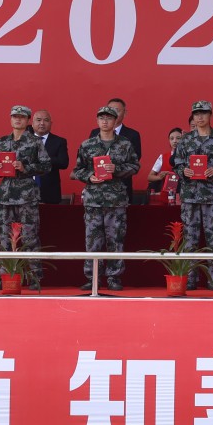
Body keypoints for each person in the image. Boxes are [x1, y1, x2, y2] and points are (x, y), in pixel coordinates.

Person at [72, 106, 139, 290]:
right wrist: (89, 176)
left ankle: (114, 278)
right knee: (92, 241)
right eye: (101, 118)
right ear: (97, 121)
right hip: (93, 200)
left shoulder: (124, 144)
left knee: (115, 240)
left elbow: (135, 166)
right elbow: (77, 170)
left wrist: (116, 169)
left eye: (109, 118)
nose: (105, 121)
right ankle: (92, 277)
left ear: (115, 121)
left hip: (116, 200)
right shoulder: (87, 145)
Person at [171, 100, 213, 289]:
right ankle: (190, 278)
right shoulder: (186, 140)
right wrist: (184, 171)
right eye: (196, 114)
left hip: (212, 195)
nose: (200, 117)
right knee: (190, 238)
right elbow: (177, 163)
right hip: (190, 196)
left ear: (210, 115)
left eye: (203, 113)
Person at [0, 105, 50, 289]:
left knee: (30, 238)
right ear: (10, 119)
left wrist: (25, 168)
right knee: (5, 239)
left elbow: (46, 166)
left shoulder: (35, 142)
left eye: (22, 117)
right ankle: (6, 277)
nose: (18, 119)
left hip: (26, 196)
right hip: (6, 196)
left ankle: (35, 277)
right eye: (15, 116)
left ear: (28, 120)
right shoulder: (1, 142)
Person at [31, 109, 67, 204]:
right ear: (32, 123)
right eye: (38, 120)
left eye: (46, 120)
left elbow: (63, 163)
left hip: (49, 192)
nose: (42, 123)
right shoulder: (24, 141)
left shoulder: (59, 141)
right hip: (26, 191)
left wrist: (43, 158)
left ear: (51, 123)